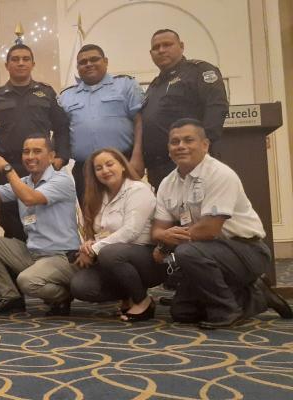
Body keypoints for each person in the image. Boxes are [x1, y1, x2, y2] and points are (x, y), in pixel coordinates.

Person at [151, 118, 291, 329]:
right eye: (175, 142)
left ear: (205, 145)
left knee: (186, 253)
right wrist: (163, 239)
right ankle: (256, 295)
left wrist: (168, 243)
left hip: (246, 250)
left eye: (189, 140)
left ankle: (228, 309)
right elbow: (157, 229)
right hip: (207, 251)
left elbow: (209, 230)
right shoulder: (167, 183)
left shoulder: (220, 174)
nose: (181, 146)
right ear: (168, 149)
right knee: (182, 313)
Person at [0, 135, 80, 316]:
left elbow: (30, 198)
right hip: (32, 253)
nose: (30, 156)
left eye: (37, 151)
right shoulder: (24, 182)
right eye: (26, 152)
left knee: (26, 281)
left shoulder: (61, 180)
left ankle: (63, 295)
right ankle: (10, 297)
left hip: (60, 256)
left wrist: (8, 169)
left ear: (51, 156)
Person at [68, 148, 163, 321]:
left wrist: (94, 249)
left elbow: (130, 231)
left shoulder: (138, 190)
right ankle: (127, 295)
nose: (105, 170)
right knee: (81, 286)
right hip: (112, 256)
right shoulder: (99, 195)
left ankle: (143, 301)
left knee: (109, 253)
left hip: (145, 256)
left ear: (122, 166)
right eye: (98, 168)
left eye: (109, 164)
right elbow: (100, 231)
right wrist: (88, 244)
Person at [0, 44, 69, 240]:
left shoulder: (46, 93)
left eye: (25, 59)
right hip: (8, 168)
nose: (21, 63)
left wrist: (61, 158)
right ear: (6, 65)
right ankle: (16, 267)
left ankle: (44, 265)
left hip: (41, 168)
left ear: (33, 64)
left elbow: (62, 128)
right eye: (15, 59)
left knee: (45, 220)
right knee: (11, 223)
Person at [142, 29, 228, 189]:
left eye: (167, 44)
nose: (161, 50)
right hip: (159, 170)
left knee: (197, 213)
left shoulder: (198, 71)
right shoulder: (155, 85)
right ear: (151, 53)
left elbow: (216, 108)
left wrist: (202, 150)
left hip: (191, 163)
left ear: (181, 46)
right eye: (156, 47)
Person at [58, 44, 144, 201]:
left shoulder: (125, 85)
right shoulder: (66, 96)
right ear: (77, 67)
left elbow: (140, 121)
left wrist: (138, 156)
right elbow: (60, 133)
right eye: (83, 62)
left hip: (122, 162)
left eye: (94, 59)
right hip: (85, 169)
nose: (88, 64)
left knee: (129, 212)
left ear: (105, 61)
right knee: (92, 218)